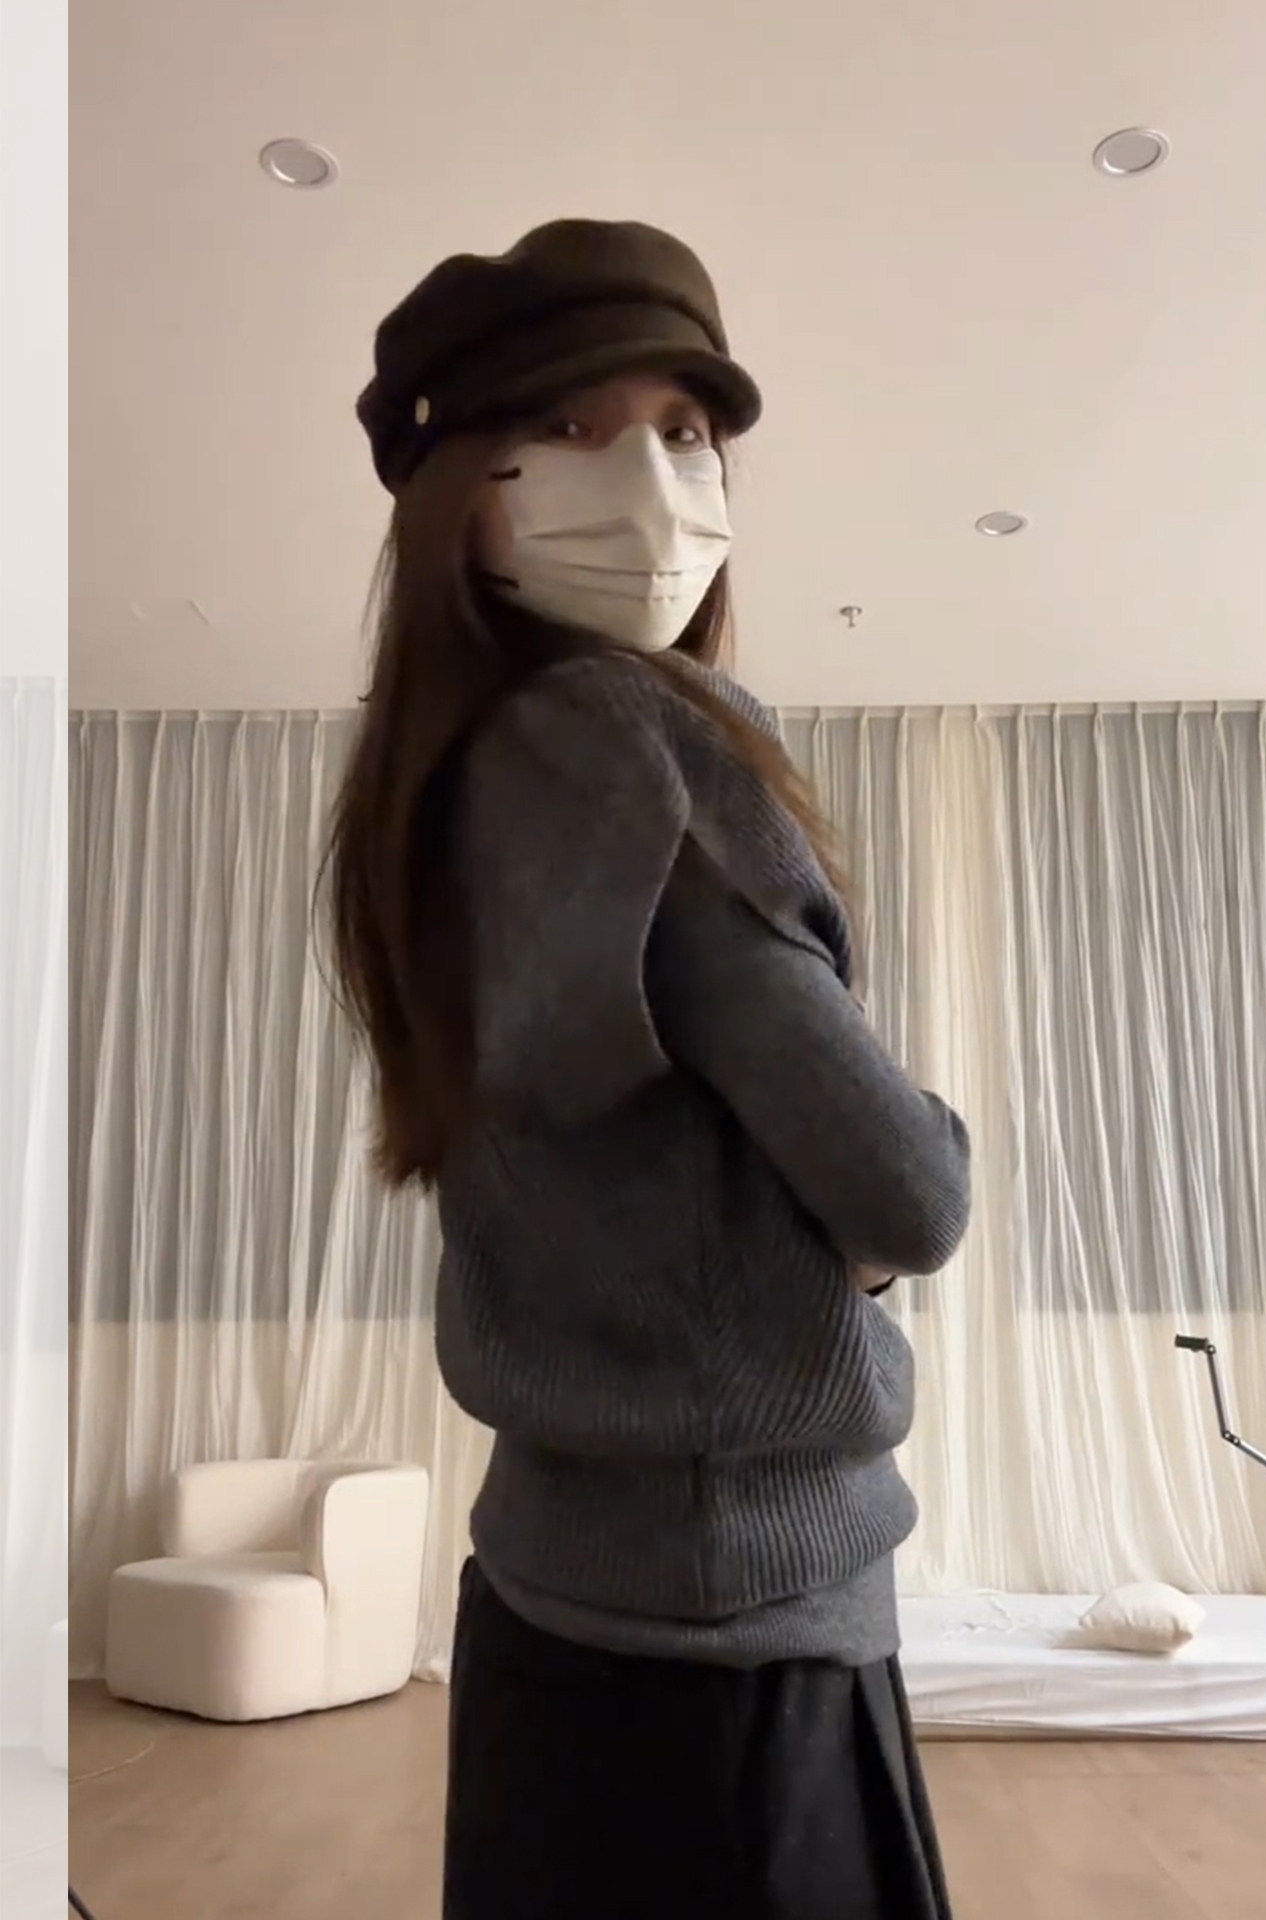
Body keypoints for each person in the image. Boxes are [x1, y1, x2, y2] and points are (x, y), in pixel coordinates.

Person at [328, 217, 972, 1920]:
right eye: (576, 424)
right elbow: (909, 1190)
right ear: (459, 486)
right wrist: (906, 1173)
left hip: (551, 1605)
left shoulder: (443, 784)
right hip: (739, 1648)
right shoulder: (639, 742)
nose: (652, 483)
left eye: (686, 431)